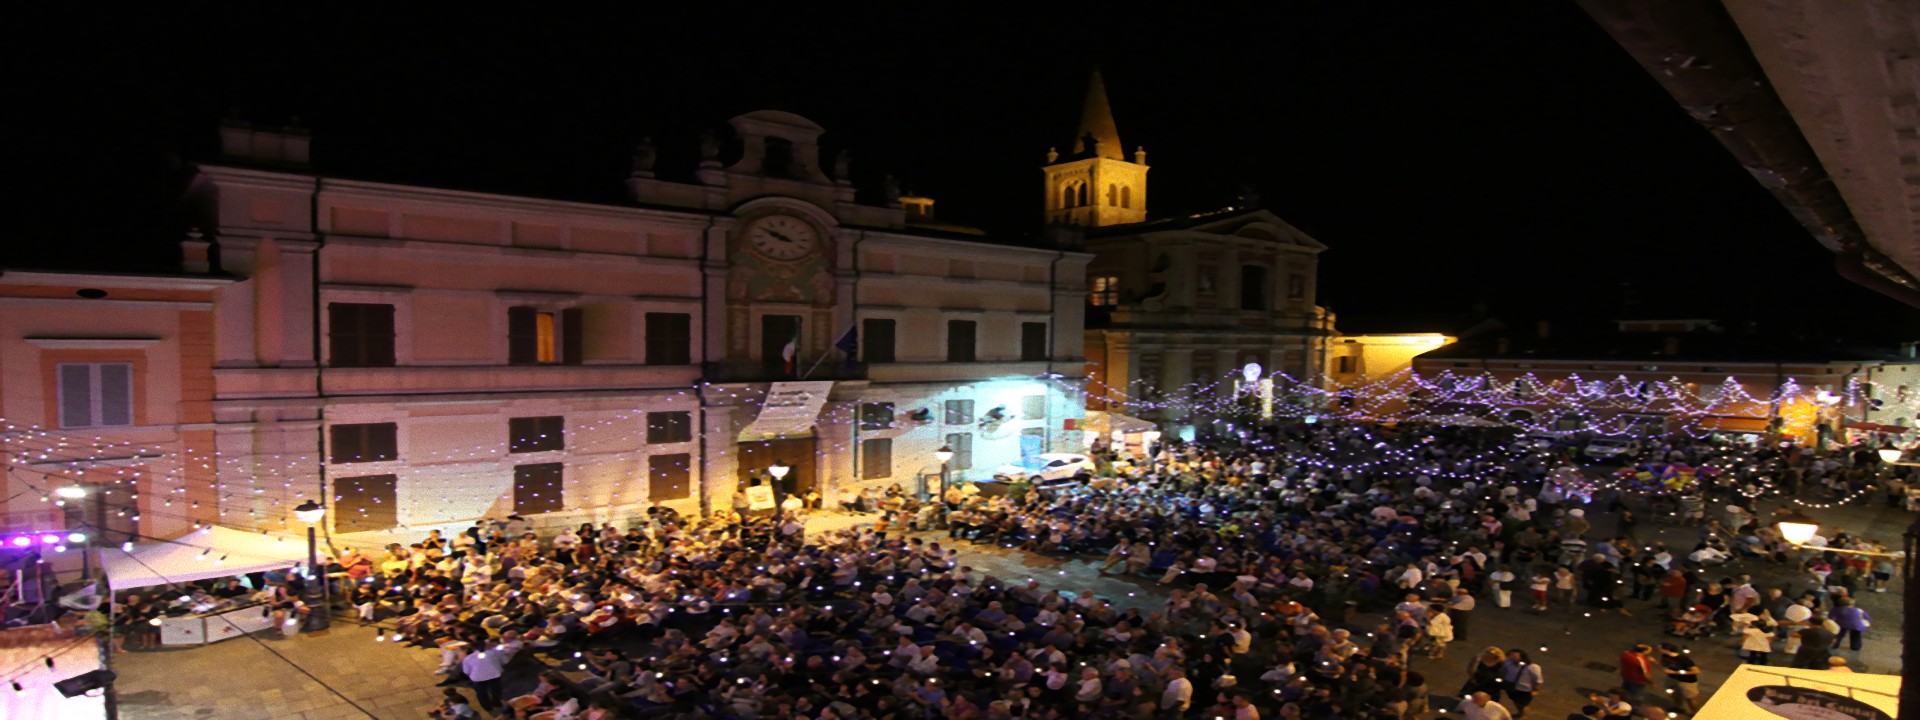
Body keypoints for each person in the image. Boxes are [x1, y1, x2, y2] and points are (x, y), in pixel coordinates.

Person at [1658, 643, 1701, 716]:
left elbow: (1697, 671)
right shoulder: (1664, 656)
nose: (1658, 650)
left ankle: (1696, 713)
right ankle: (1678, 707)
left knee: (1690, 698)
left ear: (1666, 650)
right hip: (1672, 678)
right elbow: (1665, 665)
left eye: (1660, 648)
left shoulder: (1683, 659)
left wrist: (1676, 672)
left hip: (1686, 681)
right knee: (1675, 694)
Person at [1503, 649, 1544, 718]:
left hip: (1524, 690)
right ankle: (1520, 712)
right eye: (1511, 656)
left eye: (1515, 656)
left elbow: (1539, 680)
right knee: (1516, 701)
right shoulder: (1509, 663)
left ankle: (1523, 715)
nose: (1512, 658)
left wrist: (1536, 690)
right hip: (1511, 687)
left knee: (1522, 704)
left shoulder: (1532, 667)